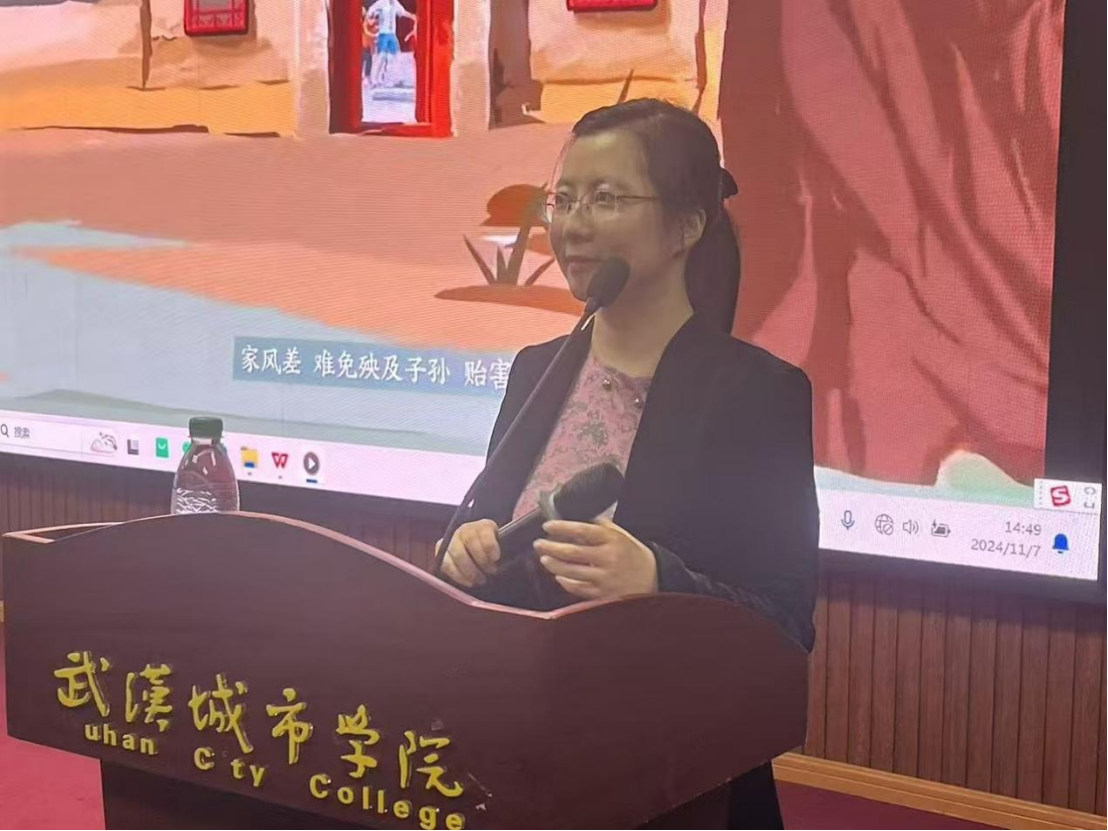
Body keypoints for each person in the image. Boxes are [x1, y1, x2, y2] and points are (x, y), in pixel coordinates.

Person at [438, 99, 819, 830]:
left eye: (607, 198)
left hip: (675, 781)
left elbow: (783, 625)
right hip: (521, 764)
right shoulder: (536, 370)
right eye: (564, 199)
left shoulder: (758, 394)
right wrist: (467, 550)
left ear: (687, 226)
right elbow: (476, 531)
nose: (573, 225)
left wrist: (656, 579)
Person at [364, 0, 416, 89]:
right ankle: (375, 80)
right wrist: (370, 18)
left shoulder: (395, 3)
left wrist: (412, 16)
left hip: (392, 34)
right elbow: (370, 11)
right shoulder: (381, 3)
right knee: (381, 57)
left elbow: (402, 12)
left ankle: (387, 79)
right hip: (383, 34)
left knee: (394, 56)